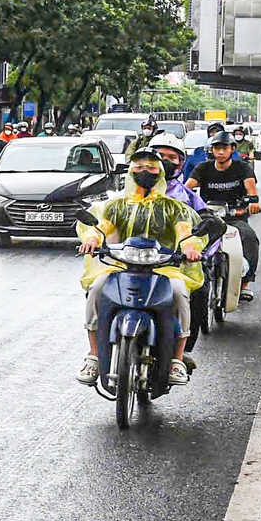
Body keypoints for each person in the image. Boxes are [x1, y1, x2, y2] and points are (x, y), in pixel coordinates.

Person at [77, 145, 204, 387]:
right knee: (96, 289)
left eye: (151, 167)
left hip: (163, 267)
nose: (145, 171)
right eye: (139, 167)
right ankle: (94, 354)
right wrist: (93, 239)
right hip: (120, 266)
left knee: (179, 293)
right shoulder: (117, 205)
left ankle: (177, 359)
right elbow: (102, 228)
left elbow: (185, 232)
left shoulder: (172, 206)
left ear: (160, 173)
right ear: (130, 171)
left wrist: (189, 247)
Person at [150, 133, 214, 371]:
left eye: (171, 157)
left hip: (174, 263)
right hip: (131, 260)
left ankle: (183, 351)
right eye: (159, 156)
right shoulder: (127, 194)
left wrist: (195, 249)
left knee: (198, 290)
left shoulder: (187, 196)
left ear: (180, 162)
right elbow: (106, 221)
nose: (164, 161)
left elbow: (203, 224)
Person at [187, 128, 261, 303]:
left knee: (250, 238)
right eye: (216, 148)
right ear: (211, 150)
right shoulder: (202, 168)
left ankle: (245, 284)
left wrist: (254, 203)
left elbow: (251, 188)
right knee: (187, 240)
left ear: (232, 149)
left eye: (224, 148)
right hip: (208, 217)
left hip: (235, 216)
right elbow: (187, 187)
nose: (220, 152)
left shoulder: (242, 168)